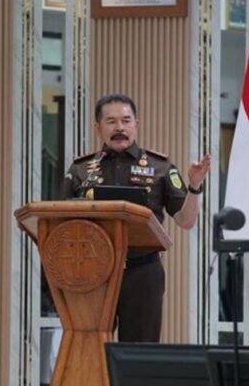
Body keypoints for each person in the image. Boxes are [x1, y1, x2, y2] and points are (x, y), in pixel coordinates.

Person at [61, 93, 211, 342]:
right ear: (98, 128)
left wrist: (194, 186)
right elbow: (62, 220)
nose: (119, 127)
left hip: (142, 272)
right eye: (111, 121)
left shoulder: (160, 167)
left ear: (136, 125)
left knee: (139, 350)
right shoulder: (80, 170)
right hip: (92, 272)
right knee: (89, 347)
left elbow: (186, 221)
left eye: (126, 120)